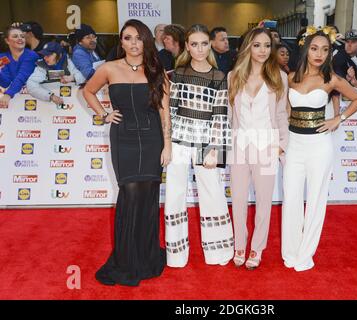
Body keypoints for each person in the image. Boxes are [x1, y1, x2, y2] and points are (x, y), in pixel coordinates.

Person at [82, 19, 171, 286]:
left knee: (148, 194)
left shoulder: (157, 70)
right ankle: (126, 259)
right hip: (123, 138)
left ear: (146, 40)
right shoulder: (108, 68)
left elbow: (164, 110)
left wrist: (167, 144)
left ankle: (145, 256)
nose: (133, 43)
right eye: (127, 38)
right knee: (130, 193)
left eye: (138, 38)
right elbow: (87, 91)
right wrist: (103, 114)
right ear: (120, 41)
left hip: (153, 137)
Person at [282, 26, 357, 272]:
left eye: (325, 50)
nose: (319, 54)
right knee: (292, 199)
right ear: (306, 49)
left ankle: (305, 254)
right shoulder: (291, 77)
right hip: (295, 146)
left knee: (316, 200)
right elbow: (287, 109)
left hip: (319, 146)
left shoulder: (331, 79)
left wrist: (338, 118)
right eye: (315, 48)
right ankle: (291, 251)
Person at [165, 24, 233, 268]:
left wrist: (216, 149)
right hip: (178, 141)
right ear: (186, 46)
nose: (200, 49)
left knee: (213, 194)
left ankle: (219, 253)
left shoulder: (219, 76)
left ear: (210, 45)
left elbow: (220, 115)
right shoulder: (178, 74)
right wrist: (167, 144)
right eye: (194, 44)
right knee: (174, 195)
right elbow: (170, 112)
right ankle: (176, 256)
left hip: (208, 143)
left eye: (204, 43)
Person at [228, 28, 289, 270]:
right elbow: (230, 115)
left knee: (264, 202)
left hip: (267, 146)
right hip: (239, 146)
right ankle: (239, 245)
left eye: (266, 45)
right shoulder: (234, 76)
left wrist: (281, 145)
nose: (263, 50)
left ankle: (257, 247)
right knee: (239, 200)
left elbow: (282, 113)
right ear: (247, 48)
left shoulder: (279, 76)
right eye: (257, 45)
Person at [0, 25, 39, 108]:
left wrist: (8, 95)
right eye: (15, 36)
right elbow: (5, 83)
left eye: (22, 36)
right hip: (14, 102)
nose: (20, 38)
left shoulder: (31, 55)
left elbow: (22, 77)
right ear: (7, 41)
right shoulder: (3, 57)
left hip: (34, 101)